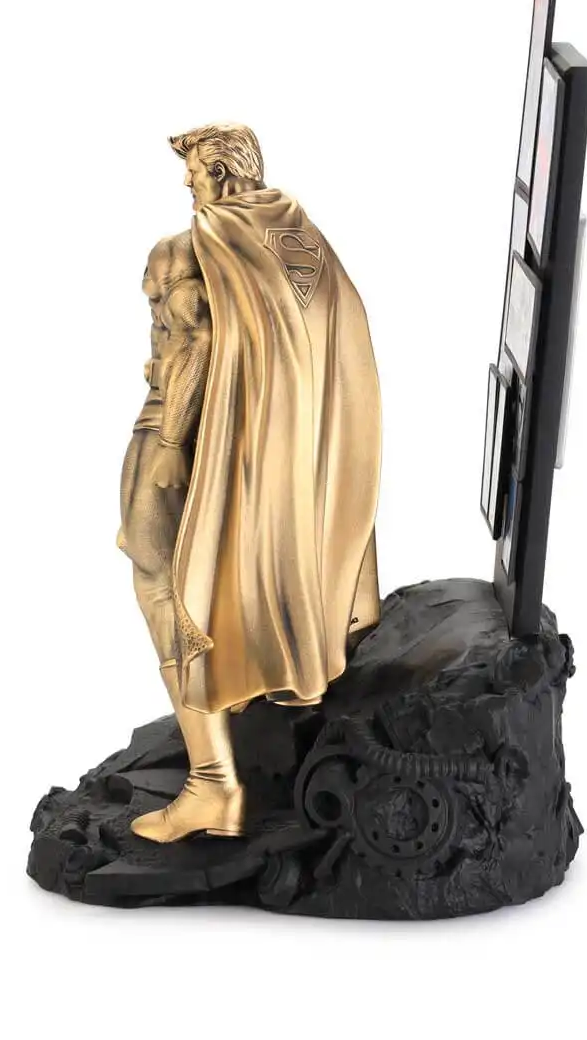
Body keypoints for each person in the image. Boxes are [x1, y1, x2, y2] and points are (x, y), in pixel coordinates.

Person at [117, 122, 381, 842]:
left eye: (196, 169)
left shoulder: (188, 251)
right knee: (215, 584)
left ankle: (212, 782)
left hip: (184, 432)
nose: (187, 182)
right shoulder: (295, 237)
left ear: (224, 171)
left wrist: (172, 444)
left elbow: (193, 346)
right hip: (274, 453)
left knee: (163, 585)